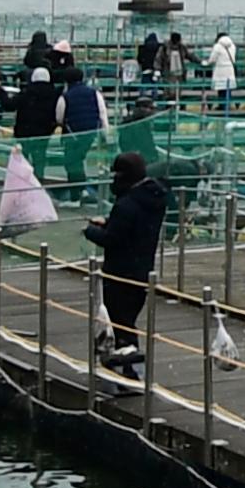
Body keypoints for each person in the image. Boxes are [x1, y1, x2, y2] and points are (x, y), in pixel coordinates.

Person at [81, 153, 169, 377]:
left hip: (120, 271)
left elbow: (112, 239)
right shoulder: (154, 198)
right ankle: (128, 368)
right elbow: (134, 228)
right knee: (128, 320)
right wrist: (111, 223)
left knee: (119, 321)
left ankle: (127, 371)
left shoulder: (126, 204)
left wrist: (90, 231)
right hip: (142, 269)